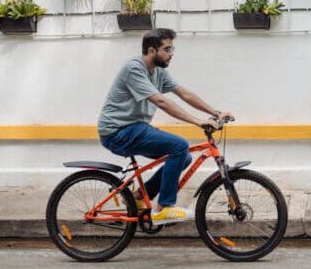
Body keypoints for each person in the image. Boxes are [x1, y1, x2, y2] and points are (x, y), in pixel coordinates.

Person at [97, 28, 233, 225]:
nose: (171, 54)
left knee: (183, 157)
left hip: (134, 128)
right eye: (167, 49)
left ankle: (138, 197)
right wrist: (197, 121)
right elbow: (160, 101)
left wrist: (215, 113)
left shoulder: (159, 72)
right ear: (152, 51)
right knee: (179, 146)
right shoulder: (134, 68)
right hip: (117, 131)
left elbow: (184, 94)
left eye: (172, 48)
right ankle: (163, 208)